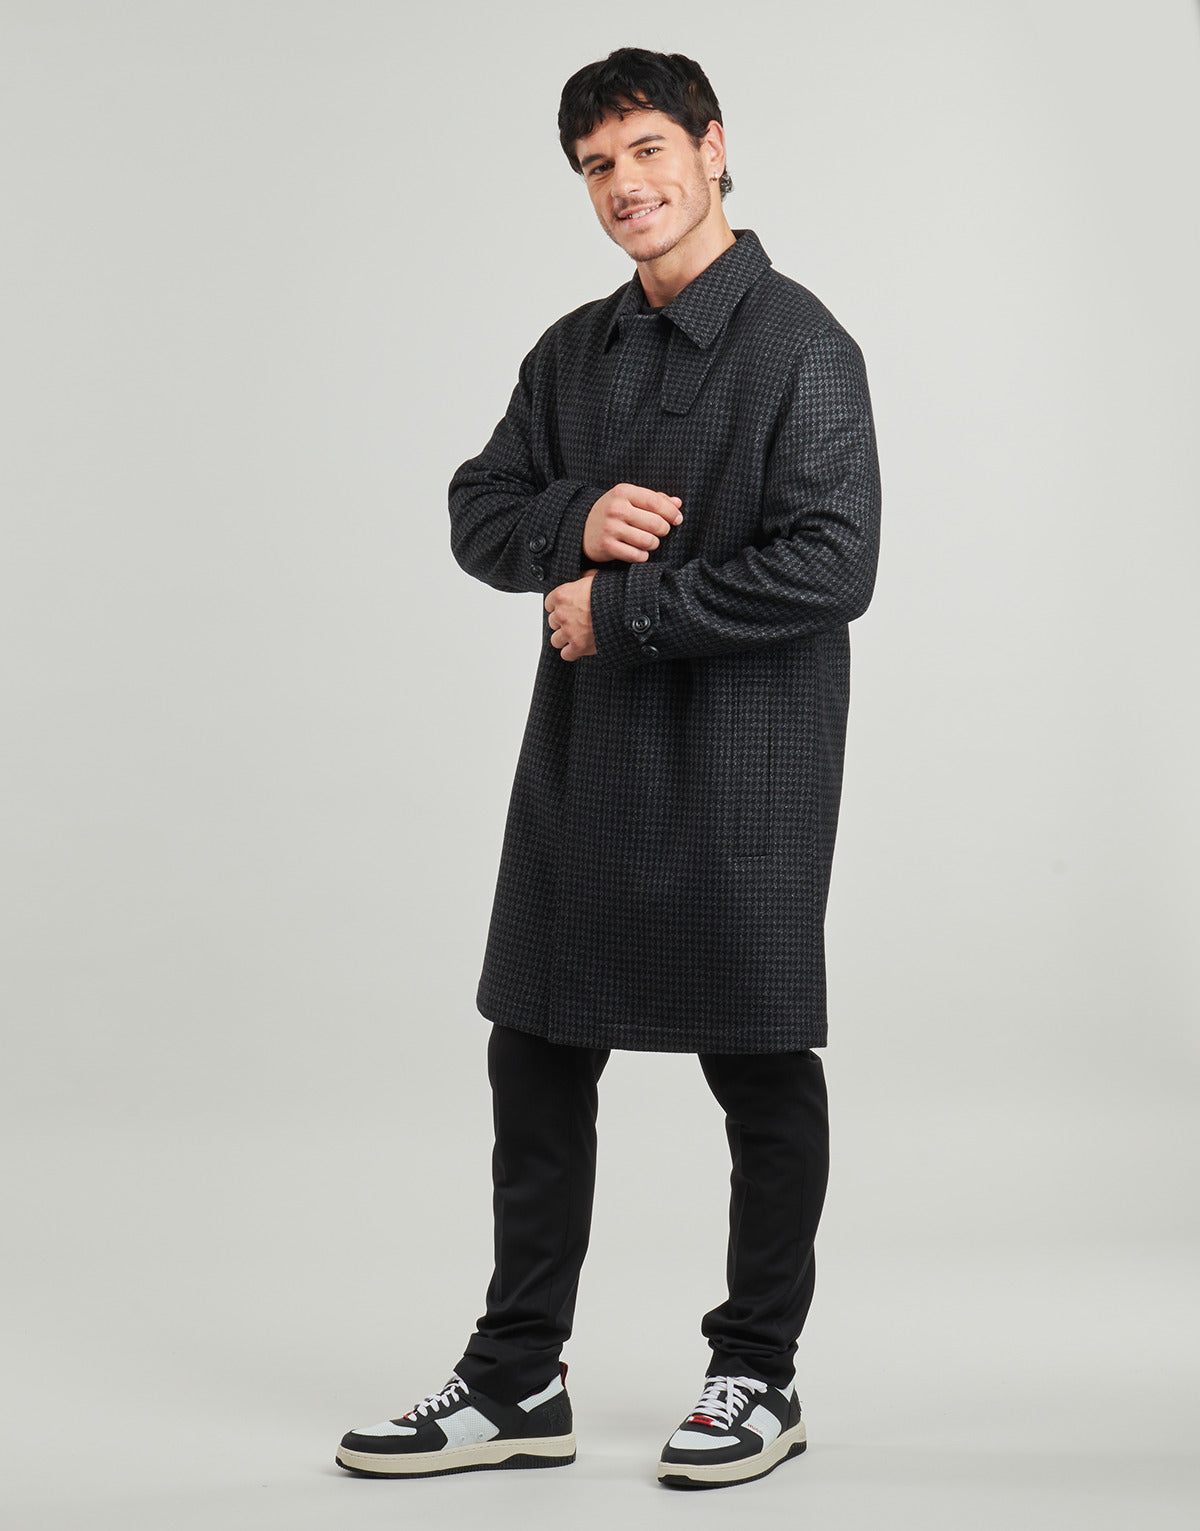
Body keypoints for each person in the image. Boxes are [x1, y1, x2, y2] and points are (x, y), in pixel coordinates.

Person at [336, 45, 881, 1491]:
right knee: (532, 1049)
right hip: (587, 769)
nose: (625, 185)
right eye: (596, 166)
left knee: (761, 1064)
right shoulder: (572, 352)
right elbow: (480, 507)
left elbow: (837, 563)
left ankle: (758, 1372)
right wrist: (575, 519)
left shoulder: (803, 345)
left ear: (712, 146)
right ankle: (518, 1378)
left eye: (647, 149)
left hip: (746, 772)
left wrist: (625, 608)